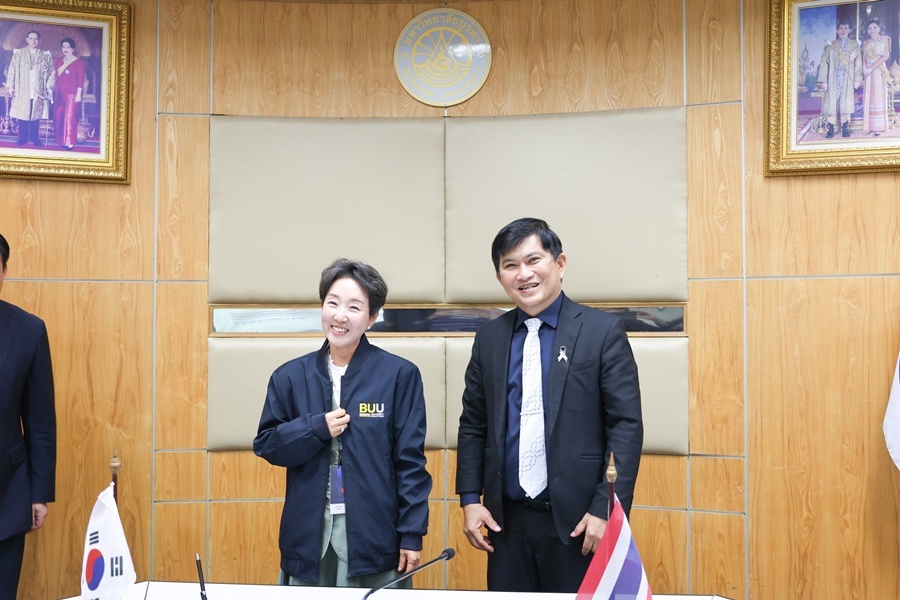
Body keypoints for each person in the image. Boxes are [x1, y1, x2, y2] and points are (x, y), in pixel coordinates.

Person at [456, 218, 643, 593]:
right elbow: (474, 423)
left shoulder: (601, 331)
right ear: (500, 277)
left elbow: (625, 426)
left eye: (533, 260)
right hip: (506, 524)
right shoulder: (489, 338)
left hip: (579, 523)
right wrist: (470, 499)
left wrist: (606, 508)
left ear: (560, 263)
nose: (523, 274)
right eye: (510, 265)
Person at [254, 259, 431, 588]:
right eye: (332, 303)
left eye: (354, 307)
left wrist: (411, 532)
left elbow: (410, 462)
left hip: (373, 535)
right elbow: (268, 445)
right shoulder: (289, 376)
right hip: (309, 535)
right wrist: (315, 428)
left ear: (372, 317)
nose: (340, 316)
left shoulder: (399, 375)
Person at [0, 233, 57, 598]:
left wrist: (39, 493)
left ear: (4, 270)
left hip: (6, 498)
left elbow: (39, 422)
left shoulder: (28, 330)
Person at [4, 31, 56, 147]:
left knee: (35, 115)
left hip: (38, 90)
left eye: (36, 39)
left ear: (40, 40)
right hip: (22, 89)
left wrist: (49, 86)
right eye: (31, 38)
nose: (33, 41)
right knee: (23, 114)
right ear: (27, 39)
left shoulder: (45, 55)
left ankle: (34, 137)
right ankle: (22, 137)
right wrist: (10, 86)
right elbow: (12, 70)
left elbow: (52, 72)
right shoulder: (19, 54)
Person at [817, 20, 863, 139]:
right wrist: (823, 81)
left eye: (845, 28)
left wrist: (857, 79)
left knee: (846, 101)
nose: (843, 30)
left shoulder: (855, 46)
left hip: (848, 78)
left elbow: (858, 64)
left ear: (849, 30)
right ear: (837, 31)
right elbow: (824, 63)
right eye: (841, 28)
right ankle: (831, 128)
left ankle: (845, 127)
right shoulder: (830, 46)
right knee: (832, 101)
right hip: (833, 77)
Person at [53, 38, 86, 150]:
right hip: (59, 92)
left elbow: (80, 79)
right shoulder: (58, 61)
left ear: (73, 48)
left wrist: (78, 94)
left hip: (71, 94)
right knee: (59, 117)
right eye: (63, 47)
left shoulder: (79, 62)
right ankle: (61, 140)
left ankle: (70, 141)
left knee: (70, 118)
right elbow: (55, 77)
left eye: (68, 47)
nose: (65, 49)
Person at [861, 19, 892, 137]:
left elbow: (885, 56)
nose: (872, 30)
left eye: (874, 27)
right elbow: (864, 57)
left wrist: (872, 68)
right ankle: (870, 127)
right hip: (868, 72)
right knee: (869, 97)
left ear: (879, 28)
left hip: (879, 71)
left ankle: (879, 127)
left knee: (878, 97)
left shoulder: (886, 39)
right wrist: (864, 67)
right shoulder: (866, 43)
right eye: (870, 28)